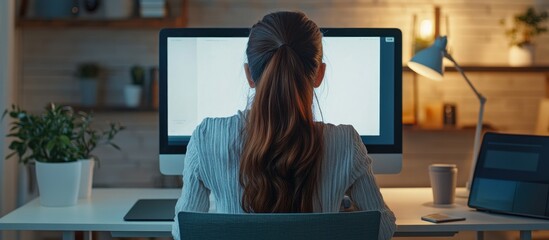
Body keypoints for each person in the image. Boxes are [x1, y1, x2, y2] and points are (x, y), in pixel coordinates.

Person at [172, 11, 396, 240]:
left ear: (250, 75)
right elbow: (383, 228)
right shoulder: (346, 142)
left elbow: (183, 231)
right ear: (319, 75)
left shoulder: (206, 136)